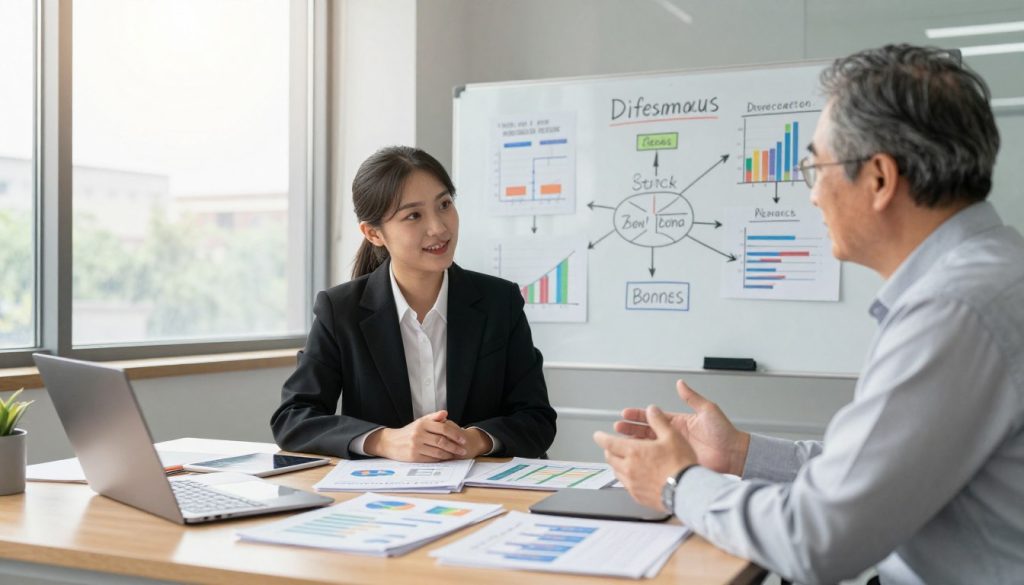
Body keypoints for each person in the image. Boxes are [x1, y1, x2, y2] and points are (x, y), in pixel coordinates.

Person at [594, 44, 1024, 584]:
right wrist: (741, 454)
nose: (813, 195)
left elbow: (816, 538)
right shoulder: (992, 273)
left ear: (880, 179)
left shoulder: (954, 309)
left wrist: (677, 483)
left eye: (817, 168)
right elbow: (871, 474)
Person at [272, 146, 556, 462]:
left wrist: (474, 440)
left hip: (485, 490)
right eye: (413, 215)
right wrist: (383, 441)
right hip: (384, 496)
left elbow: (537, 419)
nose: (439, 228)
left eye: (445, 204)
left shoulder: (500, 302)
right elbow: (293, 419)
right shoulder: (340, 310)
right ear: (373, 233)